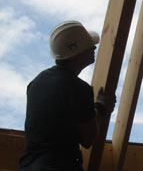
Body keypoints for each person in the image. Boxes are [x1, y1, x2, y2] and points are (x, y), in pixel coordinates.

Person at [19, 21, 116, 171]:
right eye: (88, 45)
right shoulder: (78, 88)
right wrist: (101, 107)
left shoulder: (37, 82)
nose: (94, 48)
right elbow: (87, 139)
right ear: (77, 52)